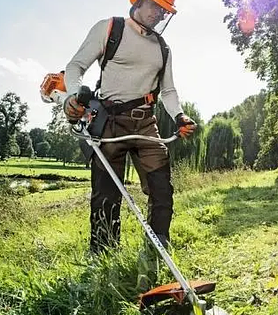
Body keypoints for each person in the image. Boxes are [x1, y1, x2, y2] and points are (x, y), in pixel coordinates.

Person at [62, 0, 196, 254]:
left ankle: (157, 248)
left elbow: (168, 90)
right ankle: (104, 254)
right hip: (110, 122)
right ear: (139, 2)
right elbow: (75, 66)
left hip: (145, 123)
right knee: (106, 195)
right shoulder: (111, 28)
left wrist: (180, 116)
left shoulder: (162, 47)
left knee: (162, 188)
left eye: (164, 11)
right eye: (156, 7)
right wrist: (72, 94)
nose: (159, 15)